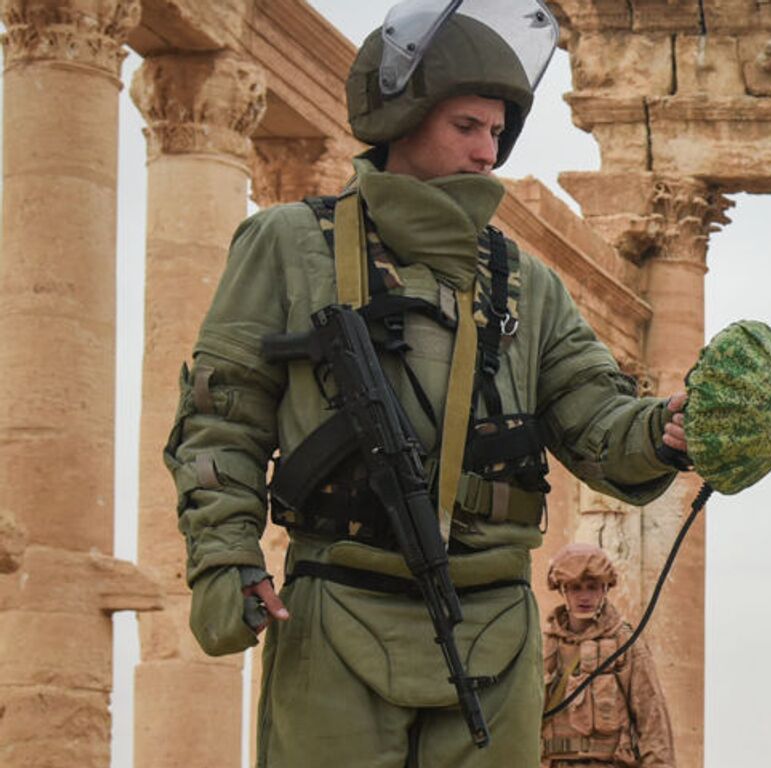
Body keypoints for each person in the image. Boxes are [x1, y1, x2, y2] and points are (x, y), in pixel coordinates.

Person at [164, 2, 691, 765]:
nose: (489, 151)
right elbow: (221, 420)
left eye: (498, 132)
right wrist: (226, 561)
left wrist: (660, 431)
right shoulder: (287, 245)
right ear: (401, 118)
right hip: (339, 605)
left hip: (494, 629)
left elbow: (594, 416)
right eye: (467, 126)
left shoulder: (527, 284)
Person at [540, 543, 675, 768]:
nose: (584, 596)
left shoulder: (625, 644)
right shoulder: (544, 645)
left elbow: (652, 719)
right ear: (563, 590)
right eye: (575, 587)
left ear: (604, 589)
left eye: (592, 587)